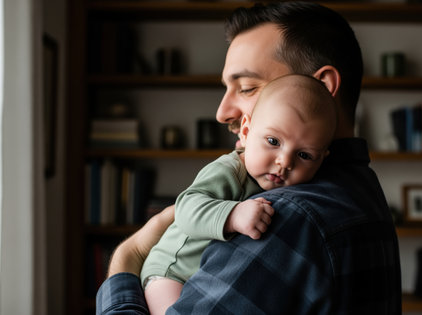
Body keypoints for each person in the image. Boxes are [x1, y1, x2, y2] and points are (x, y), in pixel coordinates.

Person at [96, 2, 402, 315]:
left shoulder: (286, 217)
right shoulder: (361, 191)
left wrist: (128, 258)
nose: (221, 112)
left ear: (321, 86)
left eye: (246, 87)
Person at [140, 74, 337, 315]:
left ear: (322, 160)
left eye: (304, 155)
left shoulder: (295, 191)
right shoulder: (230, 170)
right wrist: (233, 214)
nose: (284, 162)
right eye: (273, 141)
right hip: (171, 272)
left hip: (205, 278)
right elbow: (186, 209)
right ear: (245, 130)